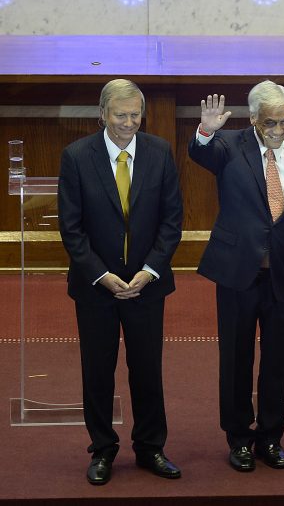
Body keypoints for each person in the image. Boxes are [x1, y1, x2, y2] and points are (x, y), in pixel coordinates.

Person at [58, 78, 184, 485]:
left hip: (147, 286)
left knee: (147, 369)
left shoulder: (160, 151)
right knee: (98, 371)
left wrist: (149, 271)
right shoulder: (77, 156)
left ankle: (150, 447)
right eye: (120, 115)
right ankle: (102, 449)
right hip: (96, 286)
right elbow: (71, 228)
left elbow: (172, 221)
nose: (129, 123)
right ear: (102, 114)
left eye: (135, 115)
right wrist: (101, 275)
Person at [188, 81, 284, 472]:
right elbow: (199, 152)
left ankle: (272, 436)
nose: (278, 130)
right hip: (237, 272)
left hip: (280, 274)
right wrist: (205, 130)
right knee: (236, 358)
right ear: (254, 118)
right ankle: (239, 438)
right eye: (270, 122)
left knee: (277, 359)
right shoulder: (228, 146)